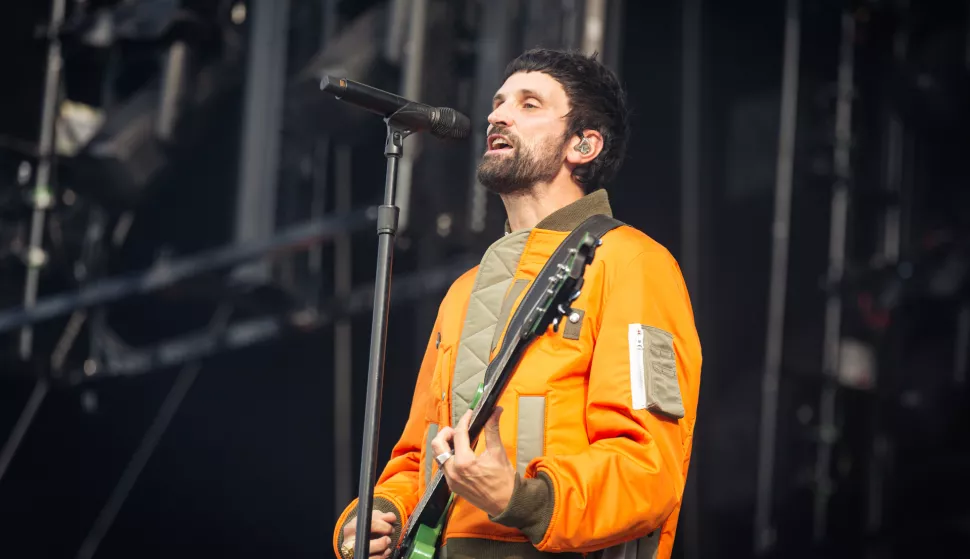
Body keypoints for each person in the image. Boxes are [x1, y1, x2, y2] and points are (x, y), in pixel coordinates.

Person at [334, 48, 702, 559]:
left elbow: (648, 466)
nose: (497, 115)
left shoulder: (634, 263)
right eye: (499, 102)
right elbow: (419, 453)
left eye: (530, 104)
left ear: (584, 144)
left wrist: (522, 499)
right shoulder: (463, 291)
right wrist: (384, 516)